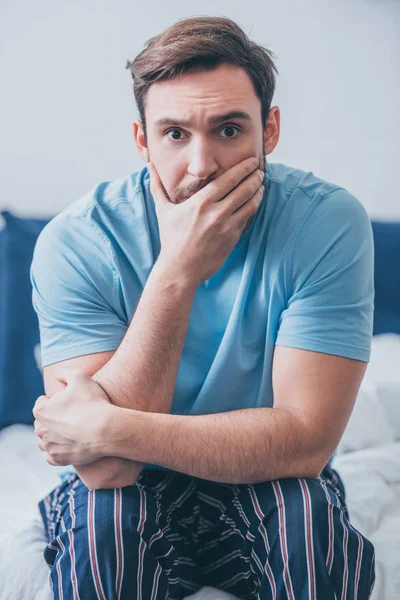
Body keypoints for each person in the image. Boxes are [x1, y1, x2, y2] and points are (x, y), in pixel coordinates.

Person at [31, 15, 375, 600]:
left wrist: (111, 425)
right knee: (105, 528)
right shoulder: (77, 241)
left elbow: (305, 443)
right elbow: (107, 471)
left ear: (269, 130)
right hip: (132, 488)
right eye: (174, 134)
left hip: (269, 475)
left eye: (228, 130)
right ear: (142, 140)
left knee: (309, 527)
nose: (201, 166)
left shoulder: (326, 224)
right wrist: (177, 270)